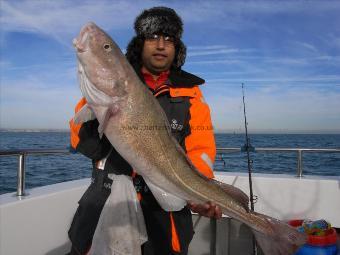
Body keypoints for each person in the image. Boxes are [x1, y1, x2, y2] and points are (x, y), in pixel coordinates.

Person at [68, 6, 221, 255]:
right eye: (153, 37)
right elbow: (84, 145)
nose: (161, 45)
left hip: (164, 216)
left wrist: (199, 194)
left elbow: (201, 150)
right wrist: (96, 104)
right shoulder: (115, 83)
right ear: (140, 43)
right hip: (106, 207)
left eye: (169, 39)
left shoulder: (191, 95)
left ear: (177, 48)